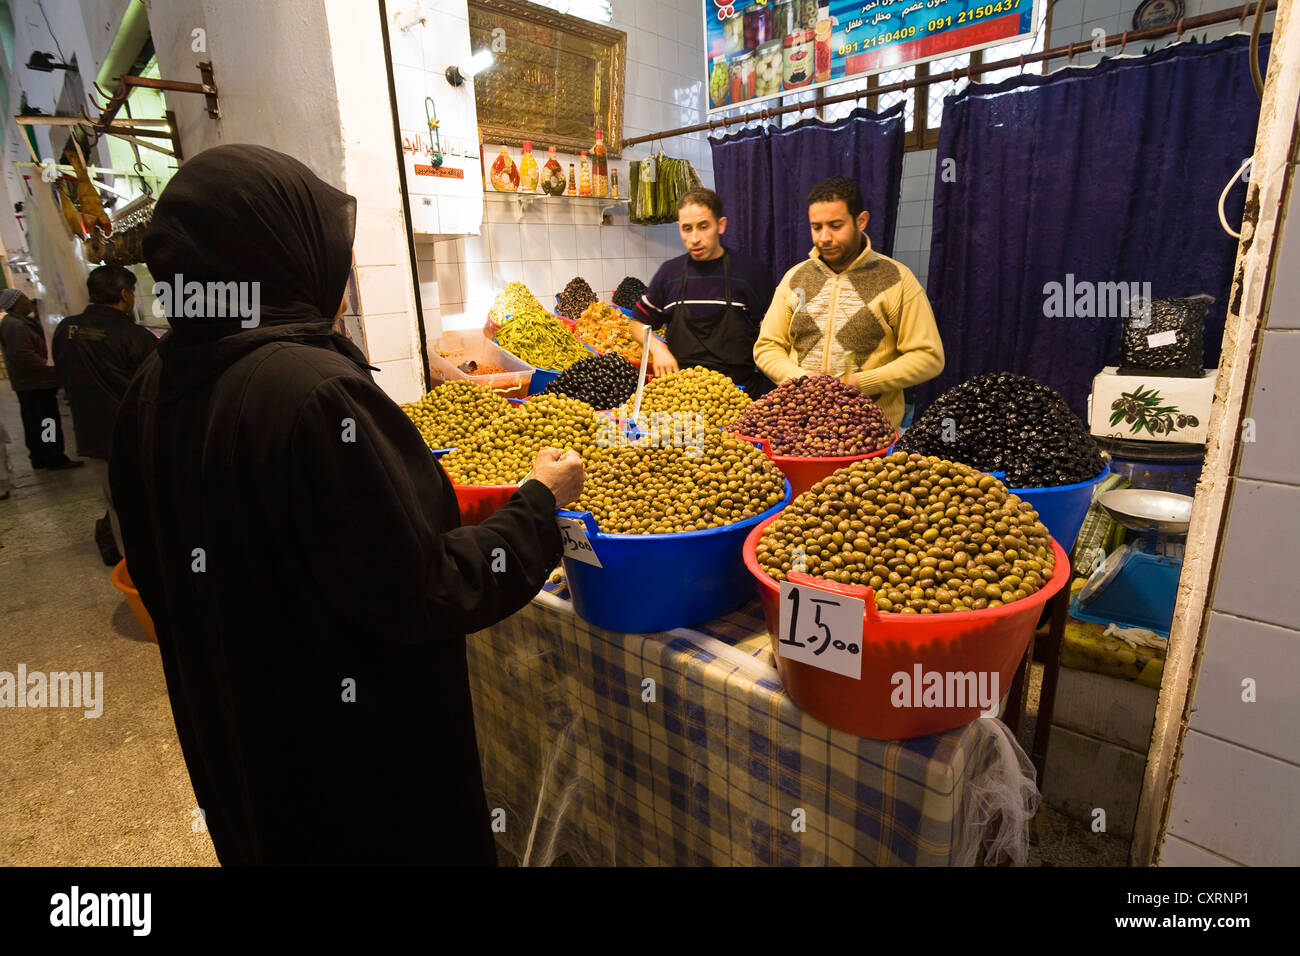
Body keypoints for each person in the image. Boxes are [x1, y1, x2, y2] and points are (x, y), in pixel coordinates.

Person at [110, 144, 584, 865]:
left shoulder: (148, 390)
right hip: (355, 769)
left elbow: (156, 567)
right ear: (281, 252)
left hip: (240, 740)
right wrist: (536, 506)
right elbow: (426, 590)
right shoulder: (313, 391)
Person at [753, 177, 944, 428]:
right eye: (816, 227)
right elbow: (767, 347)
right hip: (797, 428)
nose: (824, 238)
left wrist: (862, 382)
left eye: (835, 225)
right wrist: (800, 379)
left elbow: (928, 357)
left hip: (870, 432)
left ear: (861, 221)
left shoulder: (896, 278)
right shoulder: (794, 277)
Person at [52, 266, 159, 563]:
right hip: (136, 436)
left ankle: (133, 566)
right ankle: (156, 567)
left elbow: (64, 377)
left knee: (115, 503)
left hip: (94, 435)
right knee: (149, 503)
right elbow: (158, 387)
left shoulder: (66, 330)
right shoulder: (134, 335)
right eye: (133, 292)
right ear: (125, 294)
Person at [629, 187, 776, 397]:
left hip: (740, 394)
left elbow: (777, 333)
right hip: (682, 392)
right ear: (679, 228)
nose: (694, 238)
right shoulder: (669, 273)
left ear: (721, 225)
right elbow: (636, 324)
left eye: (703, 226)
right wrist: (657, 348)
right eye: (687, 229)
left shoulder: (751, 272)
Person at [0, 289, 81, 471]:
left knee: (36, 421)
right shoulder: (15, 325)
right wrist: (51, 368)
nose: (30, 302)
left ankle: (41, 456)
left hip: (33, 383)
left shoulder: (19, 322)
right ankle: (53, 457)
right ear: (16, 303)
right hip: (35, 383)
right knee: (46, 421)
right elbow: (24, 356)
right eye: (25, 299)